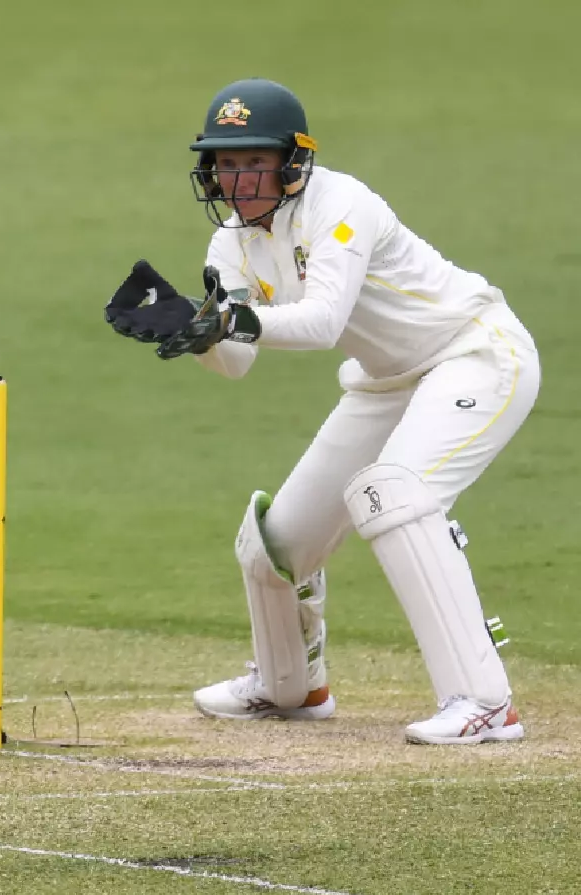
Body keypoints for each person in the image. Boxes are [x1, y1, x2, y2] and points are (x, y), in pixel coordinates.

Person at [104, 78, 539, 745]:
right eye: (226, 163)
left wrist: (230, 317)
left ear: (292, 160)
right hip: (385, 381)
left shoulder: (343, 204)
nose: (239, 178)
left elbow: (319, 321)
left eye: (254, 160)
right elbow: (238, 361)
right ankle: (291, 687)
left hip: (476, 352)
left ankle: (483, 702)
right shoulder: (231, 245)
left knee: (391, 494)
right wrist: (197, 334)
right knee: (276, 543)